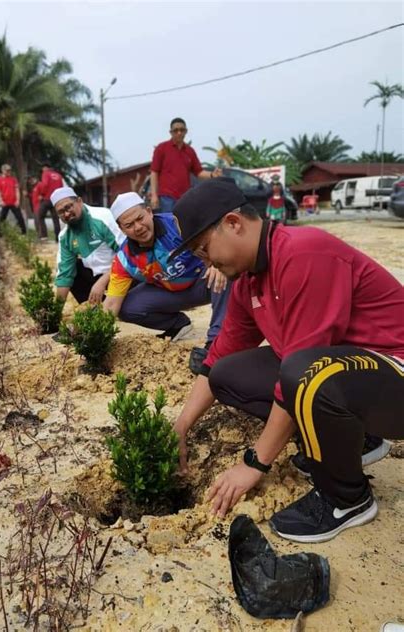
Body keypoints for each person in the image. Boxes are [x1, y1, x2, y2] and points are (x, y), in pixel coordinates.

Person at [170, 177, 404, 543]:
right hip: (352, 377)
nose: (205, 262)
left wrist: (254, 464)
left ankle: (348, 498)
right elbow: (218, 357)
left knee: (299, 371)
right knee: (228, 375)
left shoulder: (304, 254)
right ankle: (358, 442)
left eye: (203, 249)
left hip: (395, 371)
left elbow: (302, 370)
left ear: (233, 223)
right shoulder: (248, 280)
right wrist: (180, 426)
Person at [103, 192, 229, 358]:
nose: (138, 227)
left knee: (225, 271)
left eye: (140, 218)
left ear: (149, 211)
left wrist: (217, 261)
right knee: (127, 308)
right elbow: (111, 303)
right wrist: (96, 335)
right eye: (129, 225)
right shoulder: (125, 259)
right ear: (121, 229)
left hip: (203, 282)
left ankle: (216, 340)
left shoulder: (177, 223)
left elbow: (218, 235)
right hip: (170, 292)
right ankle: (178, 324)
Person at [51, 187, 125, 305]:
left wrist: (102, 281)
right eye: (61, 212)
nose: (66, 214)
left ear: (79, 201)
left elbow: (127, 254)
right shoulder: (65, 236)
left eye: (68, 207)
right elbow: (64, 275)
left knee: (126, 309)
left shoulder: (102, 217)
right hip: (96, 278)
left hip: (121, 274)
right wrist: (55, 312)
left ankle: (113, 304)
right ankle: (94, 306)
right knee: (71, 268)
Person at [150, 117, 222, 214]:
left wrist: (212, 175)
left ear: (186, 131)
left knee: (185, 225)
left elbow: (199, 172)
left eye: (182, 130)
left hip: (185, 198)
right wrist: (154, 195)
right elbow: (154, 172)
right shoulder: (161, 148)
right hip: (167, 198)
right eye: (176, 130)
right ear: (170, 132)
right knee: (170, 226)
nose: (179, 132)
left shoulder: (190, 151)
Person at [0, 164, 26, 235]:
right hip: (5, 202)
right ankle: (0, 234)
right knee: (2, 218)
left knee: (20, 217)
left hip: (13, 202)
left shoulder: (13, 179)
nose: (9, 172)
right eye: (7, 170)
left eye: (9, 170)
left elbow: (17, 190)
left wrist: (17, 200)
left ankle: (24, 232)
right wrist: (0, 201)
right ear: (3, 171)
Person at [39, 164, 64, 242]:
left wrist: (42, 194)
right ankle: (58, 237)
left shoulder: (45, 173)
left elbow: (45, 184)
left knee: (40, 216)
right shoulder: (58, 175)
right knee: (56, 218)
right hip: (56, 199)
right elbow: (61, 187)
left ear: (45, 168)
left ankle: (44, 236)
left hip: (47, 198)